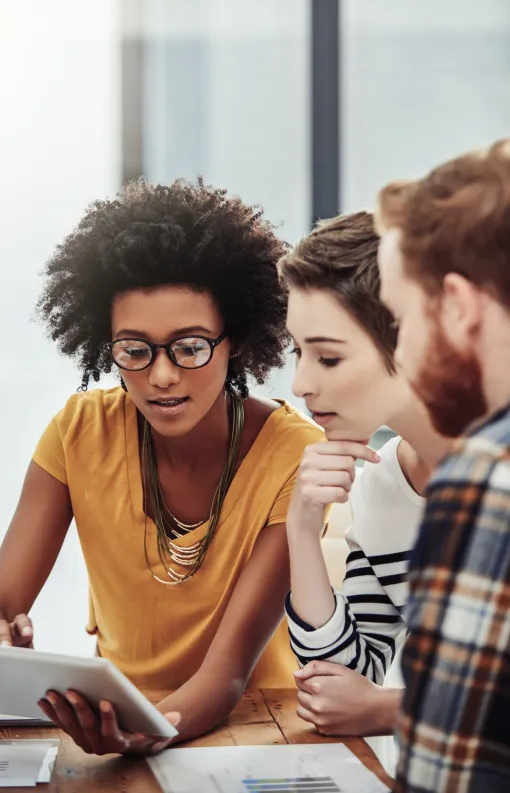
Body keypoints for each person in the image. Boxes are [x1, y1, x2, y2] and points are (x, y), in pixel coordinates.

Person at [0, 177, 323, 756]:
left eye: (191, 346)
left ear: (237, 342)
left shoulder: (295, 457)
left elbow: (226, 677)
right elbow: (5, 600)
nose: (162, 375)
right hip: (118, 723)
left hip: (259, 731)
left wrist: (148, 729)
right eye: (134, 349)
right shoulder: (79, 432)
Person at [277, 211, 449, 739]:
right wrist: (302, 528)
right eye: (297, 351)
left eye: (327, 357)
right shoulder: (379, 485)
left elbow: (367, 703)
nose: (301, 383)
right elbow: (342, 683)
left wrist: (389, 710)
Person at [376, 139, 510, 792]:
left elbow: (447, 776)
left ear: (458, 305)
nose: (398, 351)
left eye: (401, 319)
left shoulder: (487, 477)